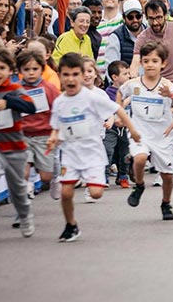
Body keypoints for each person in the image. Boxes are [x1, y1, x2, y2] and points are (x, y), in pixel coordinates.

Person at [48, 52, 140, 241]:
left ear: (83, 76)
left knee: (97, 193)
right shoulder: (59, 102)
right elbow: (56, 126)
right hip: (71, 155)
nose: (71, 79)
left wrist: (134, 130)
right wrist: (53, 137)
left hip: (92, 155)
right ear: (60, 77)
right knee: (66, 193)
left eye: (75, 74)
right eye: (66, 74)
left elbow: (118, 109)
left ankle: (91, 182)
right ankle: (70, 225)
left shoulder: (91, 97)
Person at [118, 41, 173, 221]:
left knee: (167, 176)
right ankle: (139, 184)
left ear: (163, 63)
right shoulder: (133, 84)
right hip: (140, 132)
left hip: (162, 135)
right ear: (142, 63)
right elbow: (120, 93)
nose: (150, 65)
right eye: (146, 61)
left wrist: (172, 96)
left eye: (154, 61)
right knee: (140, 158)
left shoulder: (167, 85)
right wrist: (120, 113)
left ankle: (166, 203)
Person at [0, 46, 37, 236]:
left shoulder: (14, 89)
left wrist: (9, 102)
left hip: (15, 147)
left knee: (17, 189)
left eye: (1, 68)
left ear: (10, 70)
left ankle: (25, 216)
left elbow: (31, 107)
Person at [16, 49, 61, 199]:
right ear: (20, 70)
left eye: (35, 69)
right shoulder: (16, 89)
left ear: (42, 69)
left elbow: (59, 109)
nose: (31, 73)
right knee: (23, 171)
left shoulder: (49, 88)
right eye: (26, 69)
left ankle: (55, 177)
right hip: (23, 135)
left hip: (44, 136)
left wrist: (57, 131)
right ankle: (25, 193)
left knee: (45, 177)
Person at [131, 0, 173, 89]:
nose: (155, 22)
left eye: (159, 17)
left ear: (166, 15)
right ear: (146, 18)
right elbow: (135, 63)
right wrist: (134, 80)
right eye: (151, 18)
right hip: (154, 87)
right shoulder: (142, 37)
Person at [104, 60, 132, 188]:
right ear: (115, 77)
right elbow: (114, 108)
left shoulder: (130, 89)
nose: (129, 76)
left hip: (126, 127)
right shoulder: (109, 92)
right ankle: (103, 175)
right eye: (125, 74)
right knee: (108, 150)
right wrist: (128, 99)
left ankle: (123, 176)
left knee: (125, 153)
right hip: (112, 127)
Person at [106, 0, 145, 67]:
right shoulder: (115, 37)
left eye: (138, 16)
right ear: (124, 18)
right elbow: (111, 68)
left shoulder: (149, 34)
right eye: (130, 17)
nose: (135, 20)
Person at [96, 0, 123, 78]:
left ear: (119, 2)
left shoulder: (122, 21)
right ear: (102, 1)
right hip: (97, 72)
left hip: (115, 75)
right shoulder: (96, 20)